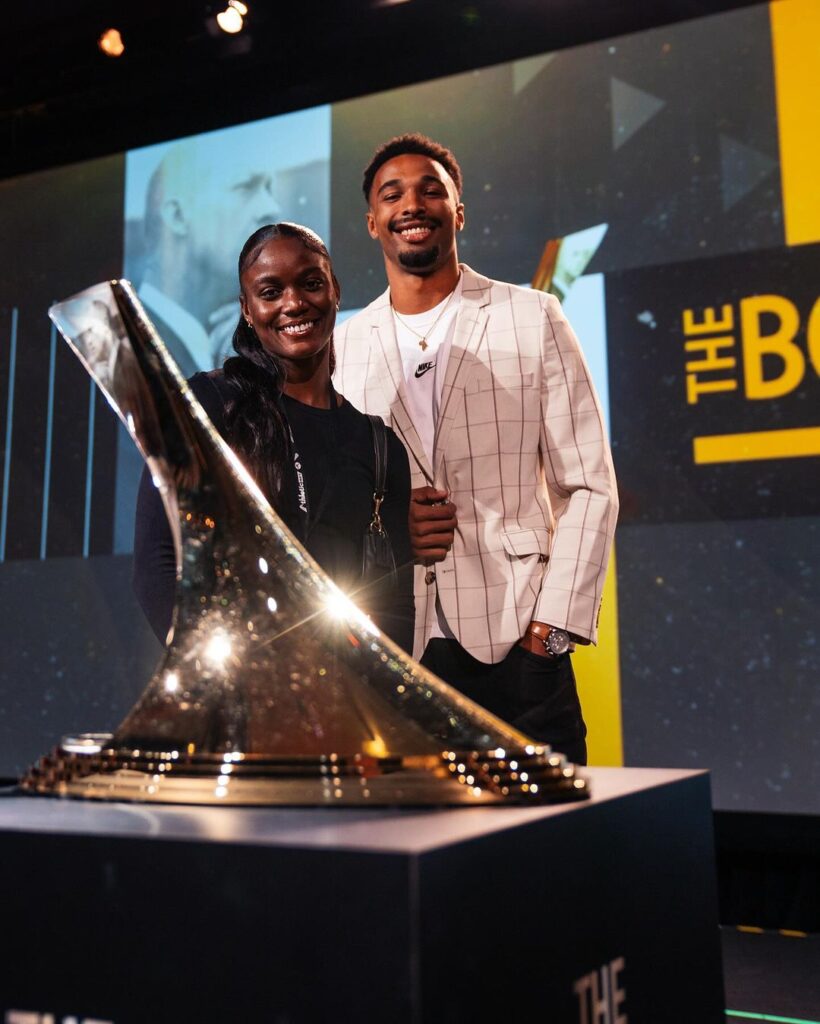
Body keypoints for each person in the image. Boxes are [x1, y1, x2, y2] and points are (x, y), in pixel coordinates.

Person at [334, 134, 619, 765]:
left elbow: (590, 485)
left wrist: (549, 633)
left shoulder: (532, 315)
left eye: (431, 189)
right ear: (373, 221)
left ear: (457, 211)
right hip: (394, 649)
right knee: (415, 851)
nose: (413, 203)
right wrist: (392, 526)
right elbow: (338, 500)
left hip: (518, 645)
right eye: (393, 194)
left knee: (548, 848)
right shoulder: (345, 347)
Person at [133, 222, 415, 653]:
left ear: (335, 289)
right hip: (234, 692)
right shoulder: (209, 404)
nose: (294, 303)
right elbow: (158, 560)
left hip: (341, 700)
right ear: (247, 309)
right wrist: (219, 673)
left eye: (311, 283)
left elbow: (394, 604)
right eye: (271, 292)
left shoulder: (379, 446)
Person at [137, 139, 284, 375]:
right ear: (177, 216)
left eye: (268, 189)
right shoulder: (122, 349)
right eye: (246, 187)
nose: (272, 208)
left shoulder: (241, 341)